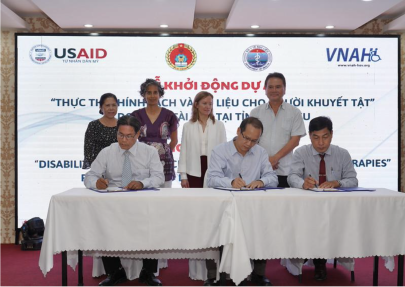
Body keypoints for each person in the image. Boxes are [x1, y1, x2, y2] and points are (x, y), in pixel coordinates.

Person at [84, 115, 164, 286]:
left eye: (128, 136)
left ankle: (148, 272)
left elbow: (159, 177)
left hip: (142, 203)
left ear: (137, 135)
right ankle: (114, 272)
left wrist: (143, 183)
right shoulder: (107, 152)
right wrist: (96, 183)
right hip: (114, 203)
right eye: (120, 135)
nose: (123, 140)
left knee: (154, 221)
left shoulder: (149, 152)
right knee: (102, 222)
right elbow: (89, 176)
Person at [206, 117, 278, 286]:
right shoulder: (220, 150)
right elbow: (212, 179)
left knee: (261, 229)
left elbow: (272, 177)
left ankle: (258, 275)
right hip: (224, 205)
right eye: (246, 138)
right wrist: (230, 182)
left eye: (254, 140)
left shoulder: (260, 152)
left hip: (251, 206)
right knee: (215, 232)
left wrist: (262, 182)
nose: (249, 144)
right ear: (238, 131)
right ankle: (215, 276)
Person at [287, 116, 358, 281]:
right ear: (310, 136)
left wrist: (337, 182)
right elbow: (292, 177)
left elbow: (353, 180)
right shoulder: (301, 152)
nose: (320, 143)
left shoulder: (342, 154)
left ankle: (320, 261)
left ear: (331, 135)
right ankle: (307, 254)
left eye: (325, 137)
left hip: (335, 208)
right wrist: (303, 183)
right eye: (316, 137)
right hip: (307, 208)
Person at [250, 72, 306, 187]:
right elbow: (252, 140)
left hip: (285, 170)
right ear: (265, 89)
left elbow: (295, 140)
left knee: (284, 204)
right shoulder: (256, 112)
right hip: (260, 170)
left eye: (278, 87)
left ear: (284, 89)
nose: (274, 90)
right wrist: (266, 161)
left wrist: (275, 159)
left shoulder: (294, 112)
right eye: (270, 87)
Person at [131, 79, 178, 187]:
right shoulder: (136, 115)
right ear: (143, 95)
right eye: (149, 92)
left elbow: (174, 140)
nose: (152, 96)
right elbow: (131, 138)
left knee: (165, 196)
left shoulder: (169, 115)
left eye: (155, 92)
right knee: (141, 191)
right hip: (141, 159)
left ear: (160, 94)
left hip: (164, 160)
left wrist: (163, 151)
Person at [178, 91, 226, 188]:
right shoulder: (188, 126)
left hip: (214, 169)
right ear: (196, 105)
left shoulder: (219, 125)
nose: (208, 106)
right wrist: (183, 176)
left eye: (210, 104)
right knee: (194, 201)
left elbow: (224, 151)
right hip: (193, 169)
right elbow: (183, 152)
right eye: (204, 103)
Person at [83, 93, 118, 169]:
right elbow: (88, 151)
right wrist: (98, 169)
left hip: (120, 169)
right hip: (99, 170)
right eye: (107, 105)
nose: (111, 108)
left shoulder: (123, 125)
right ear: (101, 107)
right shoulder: (93, 125)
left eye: (114, 105)